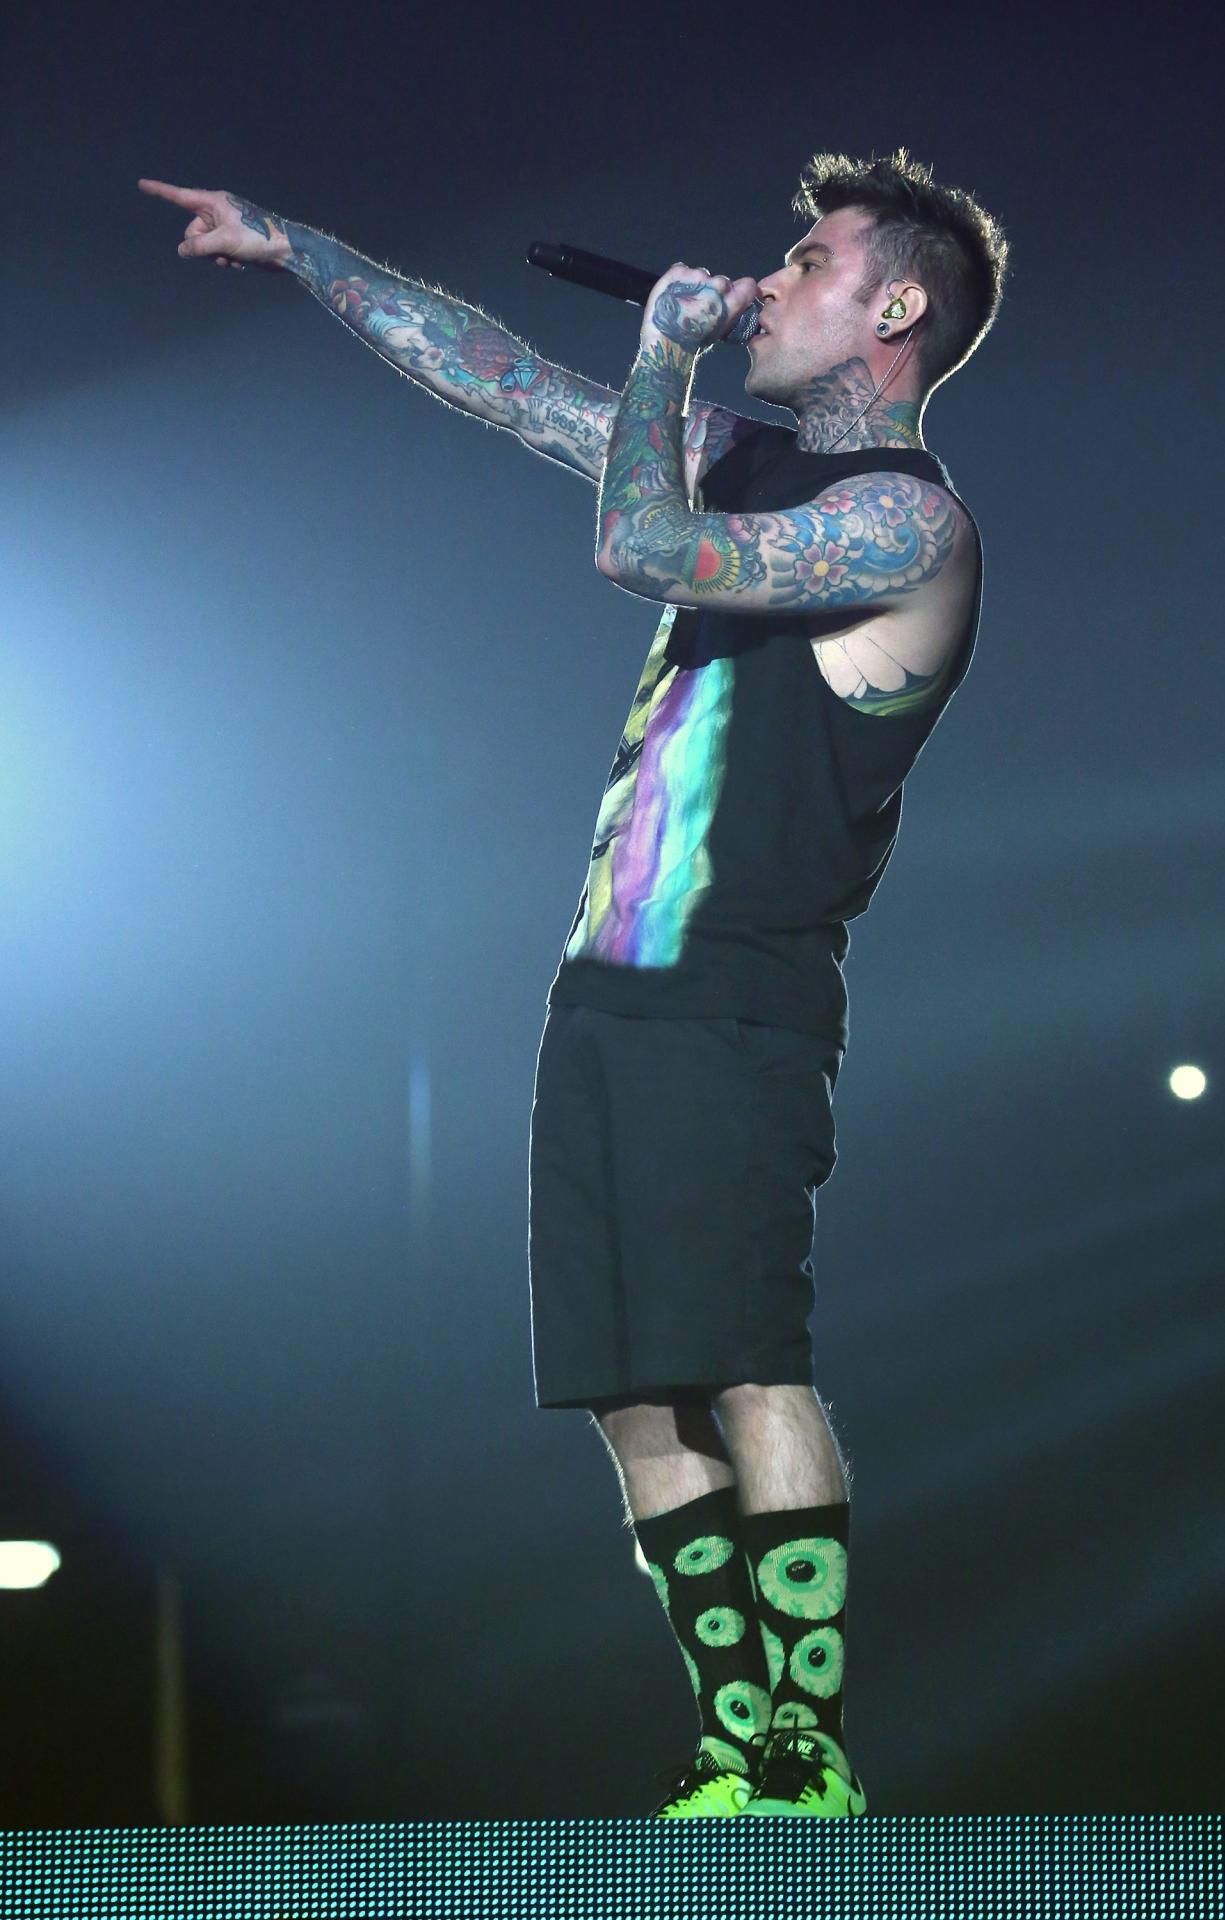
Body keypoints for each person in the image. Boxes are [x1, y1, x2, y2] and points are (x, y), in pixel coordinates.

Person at [140, 148, 1007, 1819]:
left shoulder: (905, 519)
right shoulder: (739, 458)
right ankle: (733, 1749)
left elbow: (639, 548)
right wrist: (299, 247)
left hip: (736, 994)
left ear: (893, 304)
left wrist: (666, 351)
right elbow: (503, 380)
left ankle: (805, 1749)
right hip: (608, 988)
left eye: (806, 259)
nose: (769, 278)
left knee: (745, 1360)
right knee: (628, 1394)